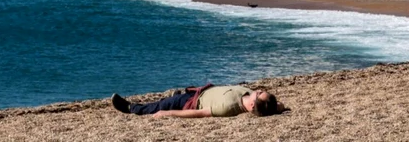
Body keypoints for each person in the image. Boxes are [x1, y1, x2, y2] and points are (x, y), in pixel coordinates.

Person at [111, 84, 286, 118]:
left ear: (253, 105)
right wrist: (278, 107)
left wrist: (168, 113)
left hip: (193, 100)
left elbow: (199, 113)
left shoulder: (228, 107)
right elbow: (275, 106)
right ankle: (174, 97)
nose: (259, 90)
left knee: (159, 106)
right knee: (172, 98)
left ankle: (131, 108)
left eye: (259, 93)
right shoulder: (260, 102)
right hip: (202, 90)